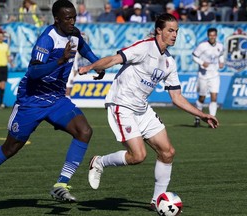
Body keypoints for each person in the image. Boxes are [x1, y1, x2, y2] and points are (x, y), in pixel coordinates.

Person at [0, 0, 104, 212]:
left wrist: (96, 64)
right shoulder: (47, 40)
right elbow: (33, 73)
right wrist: (59, 61)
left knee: (84, 131)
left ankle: (61, 184)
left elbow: (84, 47)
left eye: (74, 17)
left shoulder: (74, 33)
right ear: (56, 19)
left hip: (56, 99)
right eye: (68, 18)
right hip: (32, 100)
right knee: (11, 147)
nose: (72, 21)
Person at [79, 13, 219, 212]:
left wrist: (202, 114)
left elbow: (177, 97)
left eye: (177, 31)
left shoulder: (170, 63)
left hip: (142, 109)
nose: (174, 35)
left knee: (168, 152)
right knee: (138, 156)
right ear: (159, 30)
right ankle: (99, 162)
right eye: (170, 30)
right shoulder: (144, 47)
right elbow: (114, 59)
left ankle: (155, 201)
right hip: (122, 105)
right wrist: (91, 67)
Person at [192, 28, 224, 127]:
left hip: (214, 75)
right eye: (210, 35)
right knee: (202, 98)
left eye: (214, 35)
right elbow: (194, 56)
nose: (212, 37)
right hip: (203, 75)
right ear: (208, 36)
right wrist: (202, 63)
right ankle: (197, 118)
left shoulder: (220, 46)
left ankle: (212, 119)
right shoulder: (202, 46)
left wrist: (221, 62)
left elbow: (221, 55)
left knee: (214, 97)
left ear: (216, 36)